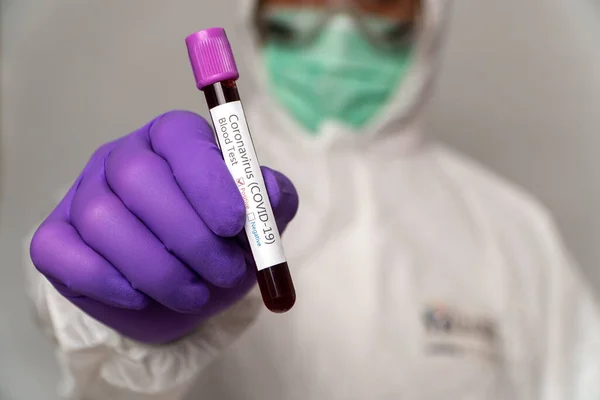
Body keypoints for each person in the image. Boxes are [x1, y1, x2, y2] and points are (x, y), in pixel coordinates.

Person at [25, 0, 600, 399]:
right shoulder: (172, 183)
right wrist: (125, 327)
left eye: (378, 2)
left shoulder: (513, 229)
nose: (340, 25)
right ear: (258, 15)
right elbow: (79, 352)